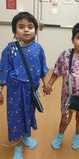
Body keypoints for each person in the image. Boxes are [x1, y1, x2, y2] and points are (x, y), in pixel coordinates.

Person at [43, 22, 79, 150]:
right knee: (65, 118)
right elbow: (56, 72)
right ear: (72, 39)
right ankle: (59, 135)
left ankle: (77, 136)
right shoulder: (65, 55)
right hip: (67, 96)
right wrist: (49, 84)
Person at [0, 12, 49, 159]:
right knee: (15, 117)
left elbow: (43, 69)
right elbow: (3, 70)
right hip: (15, 90)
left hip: (31, 91)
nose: (26, 30)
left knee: (28, 115)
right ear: (15, 31)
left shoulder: (38, 49)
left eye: (30, 26)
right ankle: (17, 147)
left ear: (35, 30)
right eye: (21, 27)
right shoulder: (9, 50)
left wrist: (46, 84)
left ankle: (26, 136)